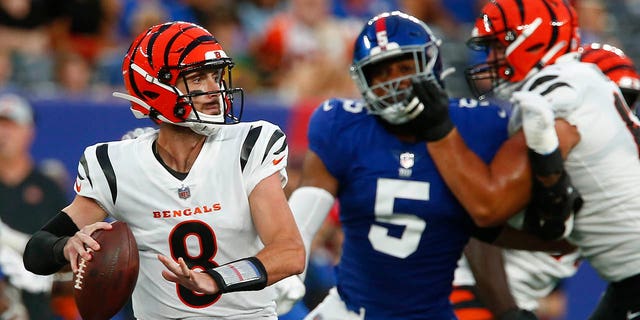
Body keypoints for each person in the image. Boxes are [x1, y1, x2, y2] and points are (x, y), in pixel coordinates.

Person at [275, 11, 578, 320]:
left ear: (431, 65)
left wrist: (507, 309)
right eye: (381, 73)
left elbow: (484, 224)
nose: (395, 83)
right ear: (363, 80)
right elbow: (308, 207)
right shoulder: (342, 124)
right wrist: (288, 268)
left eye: (405, 68)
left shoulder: (478, 125)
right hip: (350, 311)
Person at [22, 21, 305, 319]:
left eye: (216, 76)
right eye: (197, 79)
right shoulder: (117, 166)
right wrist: (68, 247)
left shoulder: (248, 146)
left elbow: (289, 252)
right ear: (154, 87)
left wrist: (217, 278)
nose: (214, 90)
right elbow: (36, 252)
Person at [412, 0, 640, 318]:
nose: (489, 60)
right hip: (625, 281)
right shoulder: (584, 78)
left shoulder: (549, 98)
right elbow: (555, 236)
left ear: (529, 41)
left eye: (497, 47)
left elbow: (487, 208)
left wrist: (439, 131)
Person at [0, 92, 72, 320]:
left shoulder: (48, 187)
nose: (4, 133)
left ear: (28, 132)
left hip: (41, 305)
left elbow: (68, 254)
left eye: (11, 126)